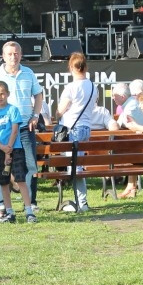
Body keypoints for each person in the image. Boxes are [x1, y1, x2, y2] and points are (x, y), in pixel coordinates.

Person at [0, 40, 44, 210]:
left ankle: (31, 203)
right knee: (2, 166)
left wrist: (35, 116)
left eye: (16, 53)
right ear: (3, 56)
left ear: (21, 54)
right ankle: (3, 204)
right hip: (4, 130)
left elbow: (38, 95)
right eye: (9, 54)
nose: (13, 57)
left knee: (30, 165)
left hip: (25, 127)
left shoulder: (28, 73)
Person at [53, 52, 97, 212]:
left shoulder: (71, 87)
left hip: (72, 128)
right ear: (86, 67)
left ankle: (81, 203)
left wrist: (57, 115)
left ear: (71, 67)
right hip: (86, 127)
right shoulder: (93, 86)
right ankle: (81, 201)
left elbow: (61, 110)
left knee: (74, 168)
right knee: (78, 166)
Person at [0, 80, 36, 223]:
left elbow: (15, 130)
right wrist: (1, 147)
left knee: (20, 179)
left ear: (8, 94)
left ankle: (29, 210)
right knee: (3, 182)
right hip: (0, 151)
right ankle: (9, 211)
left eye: (2, 94)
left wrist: (8, 148)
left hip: (15, 149)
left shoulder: (13, 110)